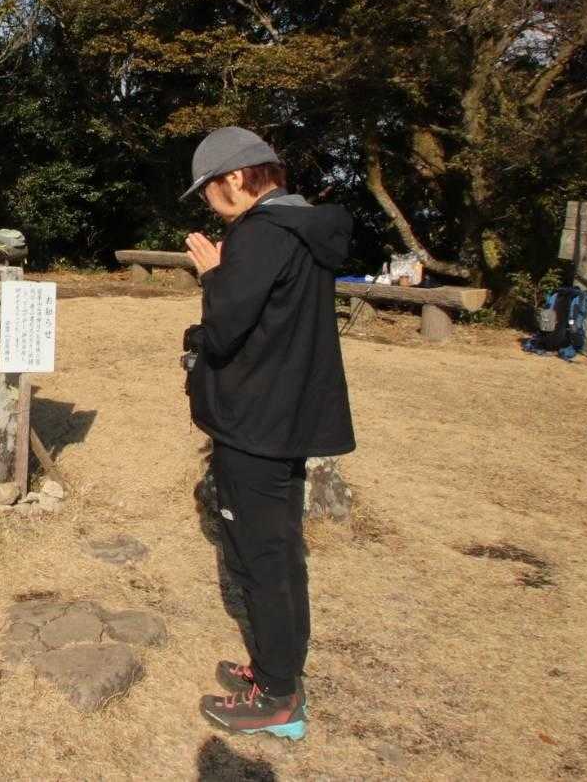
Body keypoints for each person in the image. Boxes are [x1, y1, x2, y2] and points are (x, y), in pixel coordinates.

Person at [180, 126, 355, 741]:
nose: (210, 202)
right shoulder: (303, 227)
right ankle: (275, 668)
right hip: (288, 414)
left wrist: (213, 276)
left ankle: (278, 697)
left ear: (236, 177)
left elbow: (227, 328)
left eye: (209, 188)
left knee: (261, 556)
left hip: (254, 422)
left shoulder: (260, 233)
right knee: (280, 549)